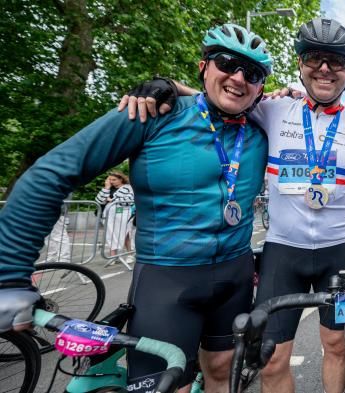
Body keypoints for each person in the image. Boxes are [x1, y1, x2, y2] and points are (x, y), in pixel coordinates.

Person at [119, 18, 345, 393]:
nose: (324, 68)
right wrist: (166, 88)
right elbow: (222, 94)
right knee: (271, 356)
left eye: (336, 61)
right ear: (300, 63)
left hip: (340, 252)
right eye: (314, 57)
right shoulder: (272, 110)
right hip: (283, 253)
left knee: (337, 346)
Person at [0, 23, 272, 393]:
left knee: (223, 374)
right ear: (204, 66)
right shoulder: (153, 114)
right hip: (167, 281)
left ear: (260, 87)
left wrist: (173, 83)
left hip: (234, 275)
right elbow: (51, 174)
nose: (239, 78)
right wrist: (10, 275)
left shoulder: (259, 128)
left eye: (252, 73)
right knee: (166, 384)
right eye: (227, 63)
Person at [95, 171, 134, 259]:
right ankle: (113, 256)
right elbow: (99, 200)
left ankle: (130, 255)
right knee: (110, 234)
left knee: (125, 233)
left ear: (121, 179)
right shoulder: (109, 189)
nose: (112, 181)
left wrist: (111, 200)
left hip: (123, 214)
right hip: (109, 215)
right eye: (110, 180)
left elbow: (130, 199)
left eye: (114, 179)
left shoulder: (128, 188)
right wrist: (106, 187)